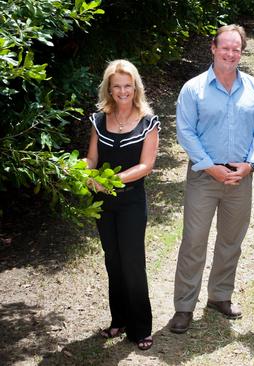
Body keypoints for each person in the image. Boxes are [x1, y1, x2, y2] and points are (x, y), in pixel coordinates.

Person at [169, 24, 254, 333]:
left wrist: (251, 165)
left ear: (242, 52)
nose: (230, 53)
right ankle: (184, 306)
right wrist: (209, 165)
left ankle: (220, 296)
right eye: (224, 47)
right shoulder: (194, 88)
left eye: (236, 49)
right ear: (213, 48)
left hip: (240, 177)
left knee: (231, 241)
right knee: (194, 241)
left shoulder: (253, 87)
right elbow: (185, 132)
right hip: (204, 175)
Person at [84, 59, 160, 351]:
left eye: (128, 86)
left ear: (135, 87)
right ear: (109, 89)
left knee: (132, 262)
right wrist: (82, 171)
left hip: (130, 202)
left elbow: (146, 165)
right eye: (117, 86)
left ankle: (141, 328)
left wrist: (113, 180)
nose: (123, 91)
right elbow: (92, 159)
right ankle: (119, 319)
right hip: (102, 202)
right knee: (112, 260)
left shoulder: (147, 121)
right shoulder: (100, 119)